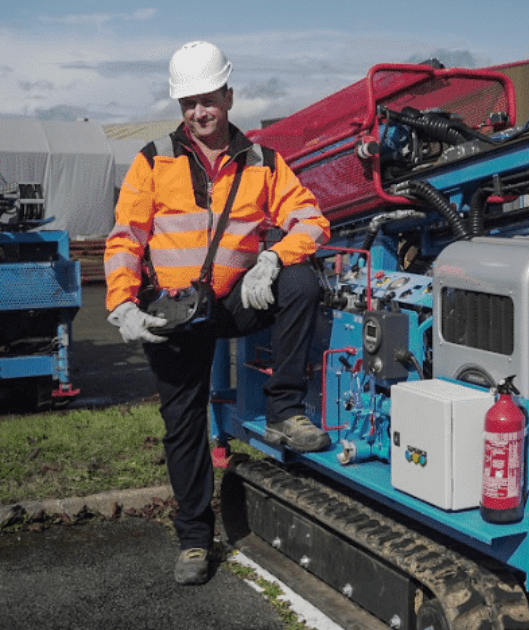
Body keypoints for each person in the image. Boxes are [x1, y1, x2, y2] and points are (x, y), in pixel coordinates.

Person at [104, 41, 332, 585]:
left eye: (208, 99)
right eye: (189, 103)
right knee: (182, 425)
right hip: (176, 313)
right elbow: (125, 238)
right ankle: (194, 540)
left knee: (301, 280)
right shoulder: (153, 159)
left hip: (235, 301)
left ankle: (285, 411)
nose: (199, 113)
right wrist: (122, 305)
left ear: (228, 96)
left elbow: (311, 219)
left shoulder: (262, 162)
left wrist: (273, 258)